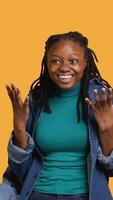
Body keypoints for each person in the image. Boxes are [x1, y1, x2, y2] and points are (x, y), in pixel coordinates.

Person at [1, 31, 113, 200]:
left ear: (84, 63)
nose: (64, 68)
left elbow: (110, 169)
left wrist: (107, 129)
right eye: (55, 61)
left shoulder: (102, 99)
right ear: (47, 63)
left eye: (73, 61)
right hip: (38, 194)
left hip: (85, 195)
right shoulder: (36, 101)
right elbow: (19, 169)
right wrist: (19, 128)